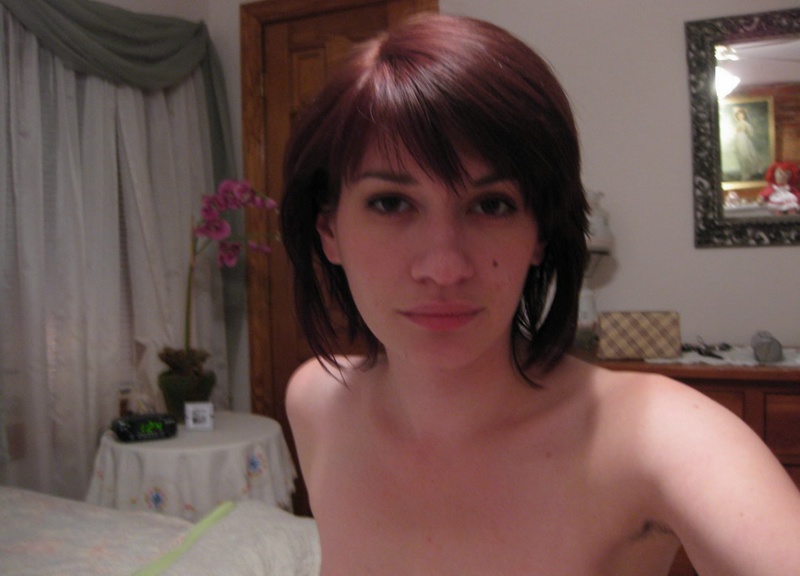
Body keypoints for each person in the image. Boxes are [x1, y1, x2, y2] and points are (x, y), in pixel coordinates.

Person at [280, 13, 800, 576]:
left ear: (540, 235)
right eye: (390, 203)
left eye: (492, 205)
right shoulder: (316, 403)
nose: (445, 267)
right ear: (328, 230)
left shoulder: (655, 438)